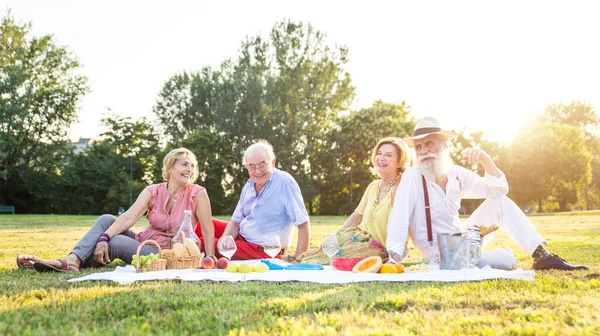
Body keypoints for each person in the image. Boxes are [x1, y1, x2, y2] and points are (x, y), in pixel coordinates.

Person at [386, 117, 589, 271]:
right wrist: (393, 257)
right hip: (438, 255)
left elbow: (498, 189)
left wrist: (485, 158)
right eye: (419, 146)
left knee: (499, 202)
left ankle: (541, 255)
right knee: (508, 261)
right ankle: (484, 258)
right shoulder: (412, 176)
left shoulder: (455, 173)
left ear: (444, 145)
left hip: (463, 240)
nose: (423, 151)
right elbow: (399, 216)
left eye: (429, 143)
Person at [16, 148, 216, 272]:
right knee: (106, 219)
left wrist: (209, 258)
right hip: (144, 242)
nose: (190, 169)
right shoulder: (153, 191)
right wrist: (103, 238)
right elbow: (128, 217)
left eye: (192, 166)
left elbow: (207, 228)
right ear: (170, 168)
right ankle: (72, 260)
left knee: (116, 241)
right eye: (184, 164)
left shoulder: (198, 193)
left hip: (168, 253)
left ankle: (62, 263)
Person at [295, 137, 410, 265]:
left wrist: (397, 254)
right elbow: (357, 216)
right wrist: (336, 237)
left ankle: (307, 265)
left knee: (338, 258)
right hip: (358, 237)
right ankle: (300, 262)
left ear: (400, 162)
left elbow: (403, 227)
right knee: (326, 250)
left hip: (378, 248)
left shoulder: (400, 190)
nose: (381, 158)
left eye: (388, 155)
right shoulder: (373, 186)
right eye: (379, 153)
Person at [195, 140, 310, 260]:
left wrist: (299, 259)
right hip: (242, 234)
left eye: (262, 165)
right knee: (200, 224)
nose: (257, 171)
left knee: (202, 243)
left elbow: (303, 223)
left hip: (262, 248)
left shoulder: (285, 183)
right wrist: (225, 237)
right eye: (252, 166)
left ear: (273, 162)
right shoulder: (249, 184)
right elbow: (235, 222)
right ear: (247, 166)